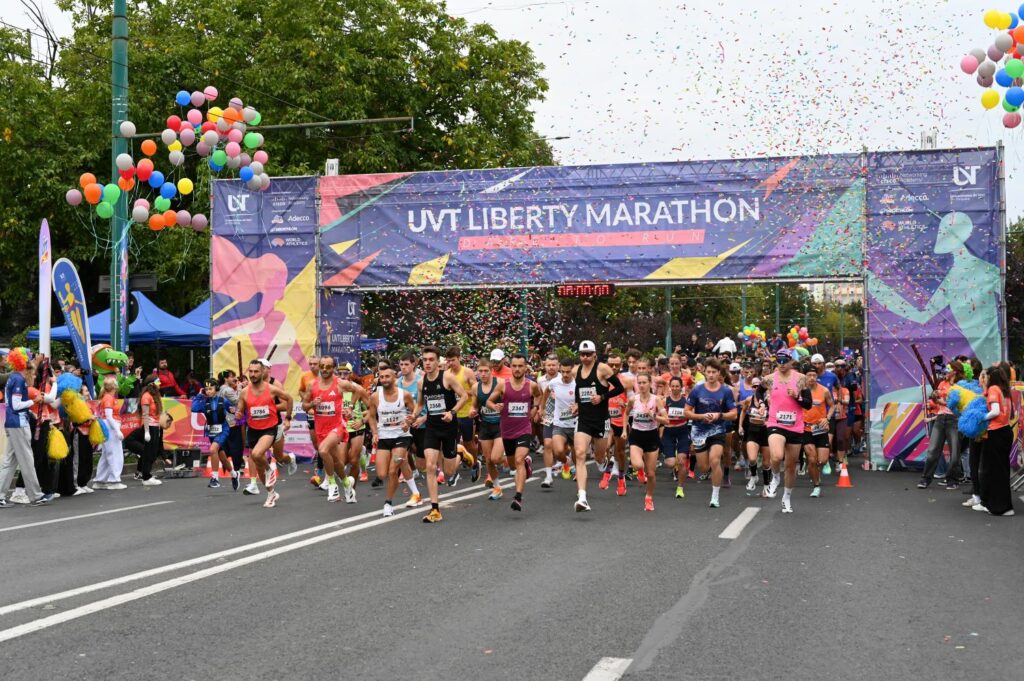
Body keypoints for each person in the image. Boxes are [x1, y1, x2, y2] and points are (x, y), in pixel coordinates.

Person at [413, 346, 469, 523]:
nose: (428, 363)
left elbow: (464, 396)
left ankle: (460, 453)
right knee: (430, 466)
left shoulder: (447, 378)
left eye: (431, 359)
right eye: (425, 360)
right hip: (431, 428)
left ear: (438, 361)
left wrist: (452, 412)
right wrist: (413, 416)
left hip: (449, 427)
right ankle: (435, 509)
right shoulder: (421, 382)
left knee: (449, 472)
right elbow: (420, 404)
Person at [570, 341, 625, 512]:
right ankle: (582, 498)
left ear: (595, 354)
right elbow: (579, 391)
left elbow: (619, 388)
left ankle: (604, 461)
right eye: (582, 354)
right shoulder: (576, 371)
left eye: (588, 354)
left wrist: (602, 397)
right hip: (584, 420)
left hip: (600, 420)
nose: (585, 357)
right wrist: (576, 404)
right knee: (580, 453)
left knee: (599, 456)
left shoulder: (603, 369)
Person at [485, 353, 542, 512]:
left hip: (524, 429)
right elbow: (489, 401)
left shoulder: (531, 385)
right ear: (511, 367)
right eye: (514, 366)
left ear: (525, 367)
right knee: (512, 465)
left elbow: (538, 396)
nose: (517, 369)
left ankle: (518, 497)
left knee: (518, 460)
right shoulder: (503, 385)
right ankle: (527, 463)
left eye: (520, 366)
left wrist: (535, 408)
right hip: (507, 430)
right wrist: (495, 406)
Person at [237, 360, 296, 508]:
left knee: (258, 454)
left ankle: (271, 469)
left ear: (263, 372)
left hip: (270, 428)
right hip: (253, 429)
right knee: (258, 464)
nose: (253, 374)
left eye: (256, 371)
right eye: (251, 371)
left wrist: (288, 419)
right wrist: (238, 414)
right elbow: (240, 410)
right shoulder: (244, 392)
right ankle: (271, 494)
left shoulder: (272, 388)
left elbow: (289, 399)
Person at [366, 362, 418, 517]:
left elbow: (415, 411)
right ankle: (416, 493)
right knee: (382, 474)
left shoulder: (404, 395)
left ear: (395, 377)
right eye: (381, 377)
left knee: (393, 470)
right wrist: (375, 433)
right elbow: (371, 416)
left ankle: (388, 503)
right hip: (384, 437)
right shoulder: (375, 396)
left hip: (401, 437)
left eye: (387, 376)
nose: (384, 379)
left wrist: (409, 422)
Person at [763, 350, 813, 513]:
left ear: (791, 361)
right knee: (777, 456)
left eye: (785, 360)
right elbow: (758, 392)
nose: (782, 364)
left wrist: (797, 397)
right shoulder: (769, 379)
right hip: (775, 422)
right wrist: (762, 403)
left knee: (791, 466)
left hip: (795, 426)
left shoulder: (801, 379)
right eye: (779, 360)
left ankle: (786, 498)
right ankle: (776, 477)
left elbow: (808, 404)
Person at [683, 359, 737, 509]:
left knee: (715, 460)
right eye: (709, 372)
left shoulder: (726, 391)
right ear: (704, 372)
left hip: (717, 429)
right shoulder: (697, 390)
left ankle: (715, 496)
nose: (711, 375)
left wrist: (719, 415)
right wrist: (701, 416)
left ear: (719, 373)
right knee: (703, 467)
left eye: (714, 372)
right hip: (699, 431)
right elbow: (686, 412)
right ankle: (711, 473)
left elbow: (734, 414)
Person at [0, 349, 49, 507]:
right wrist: (34, 401)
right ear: (25, 368)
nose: (33, 376)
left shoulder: (13, 378)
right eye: (32, 373)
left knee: (9, 461)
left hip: (13, 422)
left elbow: (13, 404)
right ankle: (35, 495)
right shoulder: (19, 380)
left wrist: (29, 409)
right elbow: (16, 405)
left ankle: (1, 495)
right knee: (27, 460)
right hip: (18, 424)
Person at [973, 365, 1015, 516]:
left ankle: (1001, 507)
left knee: (995, 471)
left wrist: (981, 417)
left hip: (996, 433)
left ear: (991, 377)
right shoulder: (1005, 391)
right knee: (1002, 471)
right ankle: (1002, 505)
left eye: (986, 376)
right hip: (1006, 431)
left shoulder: (993, 389)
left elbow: (995, 411)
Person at [622, 372, 668, 512]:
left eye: (644, 382)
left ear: (650, 384)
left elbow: (666, 420)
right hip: (636, 435)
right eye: (639, 383)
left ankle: (649, 497)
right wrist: (624, 430)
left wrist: (653, 415)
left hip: (651, 436)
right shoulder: (633, 400)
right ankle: (640, 471)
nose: (641, 385)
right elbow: (626, 413)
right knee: (637, 464)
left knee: (651, 474)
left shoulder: (656, 400)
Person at [917, 362, 964, 490]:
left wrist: (942, 400)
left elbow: (958, 403)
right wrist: (932, 401)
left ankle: (952, 480)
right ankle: (925, 479)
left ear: (955, 371)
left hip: (954, 420)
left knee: (955, 453)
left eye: (948, 369)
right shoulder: (942, 383)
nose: (946, 371)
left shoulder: (961, 385)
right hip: (940, 418)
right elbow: (936, 402)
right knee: (932, 450)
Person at [192, 378, 236, 490]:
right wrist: (199, 395)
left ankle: (215, 478)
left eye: (210, 389)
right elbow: (194, 408)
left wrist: (234, 412)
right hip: (212, 431)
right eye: (206, 389)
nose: (208, 391)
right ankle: (234, 474)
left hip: (223, 429)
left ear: (216, 388)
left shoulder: (223, 401)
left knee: (212, 450)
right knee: (223, 458)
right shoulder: (204, 402)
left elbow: (233, 410)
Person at [539, 357, 577, 486]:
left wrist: (578, 406)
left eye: (568, 372)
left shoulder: (577, 384)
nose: (565, 375)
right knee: (555, 449)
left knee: (576, 451)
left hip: (574, 422)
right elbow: (546, 391)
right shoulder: (553, 382)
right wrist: (542, 408)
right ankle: (553, 473)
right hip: (556, 420)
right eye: (563, 372)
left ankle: (578, 472)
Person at [123, 375, 165, 487]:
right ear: (151, 384)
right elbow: (145, 415)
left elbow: (158, 414)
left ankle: (148, 475)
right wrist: (146, 431)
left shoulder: (156, 396)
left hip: (155, 426)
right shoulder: (146, 396)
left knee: (153, 453)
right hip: (149, 426)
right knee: (147, 452)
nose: (160, 384)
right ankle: (146, 477)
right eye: (158, 381)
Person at [445, 347, 480, 481]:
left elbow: (476, 390)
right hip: (453, 413)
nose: (451, 363)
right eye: (448, 361)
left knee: (468, 442)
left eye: (453, 360)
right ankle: (453, 470)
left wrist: (462, 393)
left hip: (466, 413)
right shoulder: (447, 374)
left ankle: (475, 463)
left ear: (459, 358)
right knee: (451, 442)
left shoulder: (467, 372)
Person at [801, 365, 834, 498]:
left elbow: (832, 406)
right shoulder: (800, 391)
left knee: (823, 460)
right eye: (809, 375)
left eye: (814, 375)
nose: (812, 378)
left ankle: (815, 470)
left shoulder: (824, 391)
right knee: (812, 459)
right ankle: (816, 485)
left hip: (820, 429)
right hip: (806, 428)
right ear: (805, 377)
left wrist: (827, 418)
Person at [475, 358, 506, 497]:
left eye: (486, 371)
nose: (483, 374)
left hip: (500, 424)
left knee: (496, 458)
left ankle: (516, 460)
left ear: (491, 371)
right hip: (485, 425)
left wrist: (503, 406)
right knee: (488, 460)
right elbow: (475, 405)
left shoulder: (500, 383)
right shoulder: (476, 387)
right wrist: (473, 410)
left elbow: (509, 399)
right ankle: (497, 487)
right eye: (480, 371)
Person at [93, 376, 126, 490]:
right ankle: (114, 480)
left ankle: (100, 480)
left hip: (110, 426)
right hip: (111, 427)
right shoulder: (108, 398)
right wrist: (117, 430)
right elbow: (109, 416)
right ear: (114, 386)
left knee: (107, 454)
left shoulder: (108, 397)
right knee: (115, 454)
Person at [662, 375, 691, 499]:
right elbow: (660, 415)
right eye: (672, 386)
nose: (674, 388)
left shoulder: (686, 401)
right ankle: (674, 463)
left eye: (677, 386)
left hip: (682, 431)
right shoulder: (665, 401)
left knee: (682, 460)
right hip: (668, 432)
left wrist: (684, 416)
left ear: (681, 387)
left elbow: (691, 414)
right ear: (670, 387)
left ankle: (680, 488)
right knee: (670, 463)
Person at [739, 376, 769, 495]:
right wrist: (740, 426)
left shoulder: (769, 400)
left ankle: (766, 486)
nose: (756, 388)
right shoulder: (748, 399)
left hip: (766, 432)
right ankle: (753, 475)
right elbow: (743, 411)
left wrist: (769, 421)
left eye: (758, 386)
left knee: (766, 463)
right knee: (752, 459)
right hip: (752, 431)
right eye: (754, 386)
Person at [535, 354, 560, 488]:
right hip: (549, 415)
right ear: (544, 366)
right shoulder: (540, 380)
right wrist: (539, 409)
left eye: (553, 365)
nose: (551, 367)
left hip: (564, 416)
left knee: (561, 448)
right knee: (548, 444)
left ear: (558, 366)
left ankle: (566, 461)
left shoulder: (565, 378)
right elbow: (539, 396)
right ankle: (548, 476)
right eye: (548, 365)